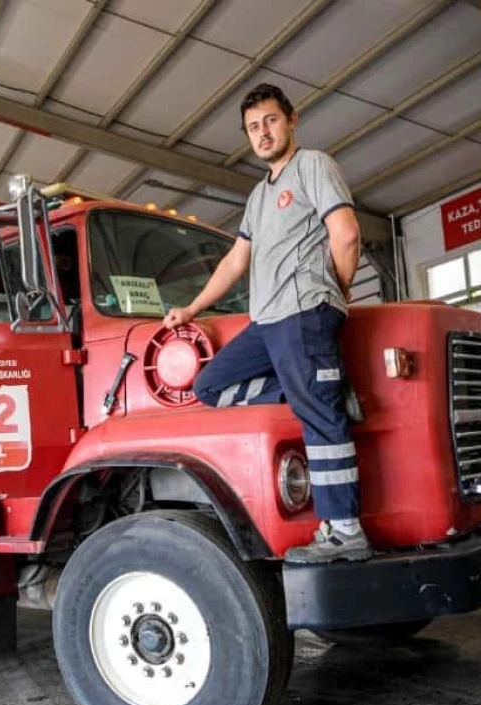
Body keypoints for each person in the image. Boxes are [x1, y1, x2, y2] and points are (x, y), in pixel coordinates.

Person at [163, 82, 368, 564]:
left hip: (304, 312)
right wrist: (192, 309)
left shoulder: (314, 165)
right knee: (210, 384)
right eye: (253, 127)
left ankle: (345, 531)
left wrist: (332, 292)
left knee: (320, 419)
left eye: (271, 121)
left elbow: (347, 235)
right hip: (267, 320)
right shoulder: (258, 196)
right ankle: (321, 389)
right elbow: (236, 262)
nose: (263, 133)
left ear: (291, 120)